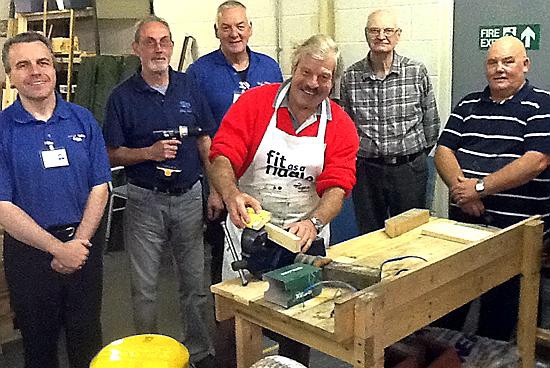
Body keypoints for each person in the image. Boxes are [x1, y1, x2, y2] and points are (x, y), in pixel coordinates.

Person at [210, 34, 359, 366]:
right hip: (247, 229)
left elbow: (338, 187)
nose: (313, 83)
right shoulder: (255, 104)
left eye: (324, 77)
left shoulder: (340, 126)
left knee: (297, 325)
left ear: (332, 81)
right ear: (294, 67)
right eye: (307, 72)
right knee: (233, 320)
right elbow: (222, 157)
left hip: (302, 238)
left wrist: (315, 222)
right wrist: (232, 194)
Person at [102, 16, 216, 368]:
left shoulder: (189, 87)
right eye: (149, 42)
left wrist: (214, 191)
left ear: (170, 45)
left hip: (188, 197)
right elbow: (110, 153)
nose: (158, 49)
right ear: (136, 48)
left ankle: (199, 352)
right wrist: (148, 154)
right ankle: (147, 358)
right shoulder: (121, 97)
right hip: (144, 199)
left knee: (195, 285)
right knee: (145, 289)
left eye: (164, 41)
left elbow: (204, 141)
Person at [0, 32, 111, 368]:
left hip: (83, 247)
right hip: (30, 256)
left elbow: (101, 186)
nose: (35, 71)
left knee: (87, 338)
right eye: (23, 65)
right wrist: (56, 248)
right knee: (38, 343)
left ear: (55, 68)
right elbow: (2, 206)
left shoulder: (82, 119)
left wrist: (77, 243)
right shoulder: (3, 130)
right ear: (10, 75)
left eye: (43, 62)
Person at [434, 35, 550, 341]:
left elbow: (536, 161)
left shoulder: (543, 105)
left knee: (500, 320)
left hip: (515, 234)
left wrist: (480, 189)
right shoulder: (469, 103)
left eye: (508, 61)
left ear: (525, 65)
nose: (499, 68)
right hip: (465, 229)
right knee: (448, 310)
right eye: (493, 62)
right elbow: (444, 150)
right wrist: (464, 191)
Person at [186, 0, 283, 285]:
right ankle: (226, 316)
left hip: (265, 173)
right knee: (225, 249)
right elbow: (202, 135)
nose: (234, 33)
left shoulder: (270, 68)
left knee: (270, 242)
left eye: (240, 26)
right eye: (226, 28)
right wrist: (216, 190)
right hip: (222, 172)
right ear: (216, 31)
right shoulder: (200, 73)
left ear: (250, 28)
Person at [340, 9, 440, 234]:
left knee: (411, 234)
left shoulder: (416, 72)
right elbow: (347, 126)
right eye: (374, 30)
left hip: (409, 170)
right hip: (366, 171)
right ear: (366, 35)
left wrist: (413, 156)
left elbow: (431, 123)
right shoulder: (351, 77)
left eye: (388, 30)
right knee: (369, 235)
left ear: (398, 35)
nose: (381, 36)